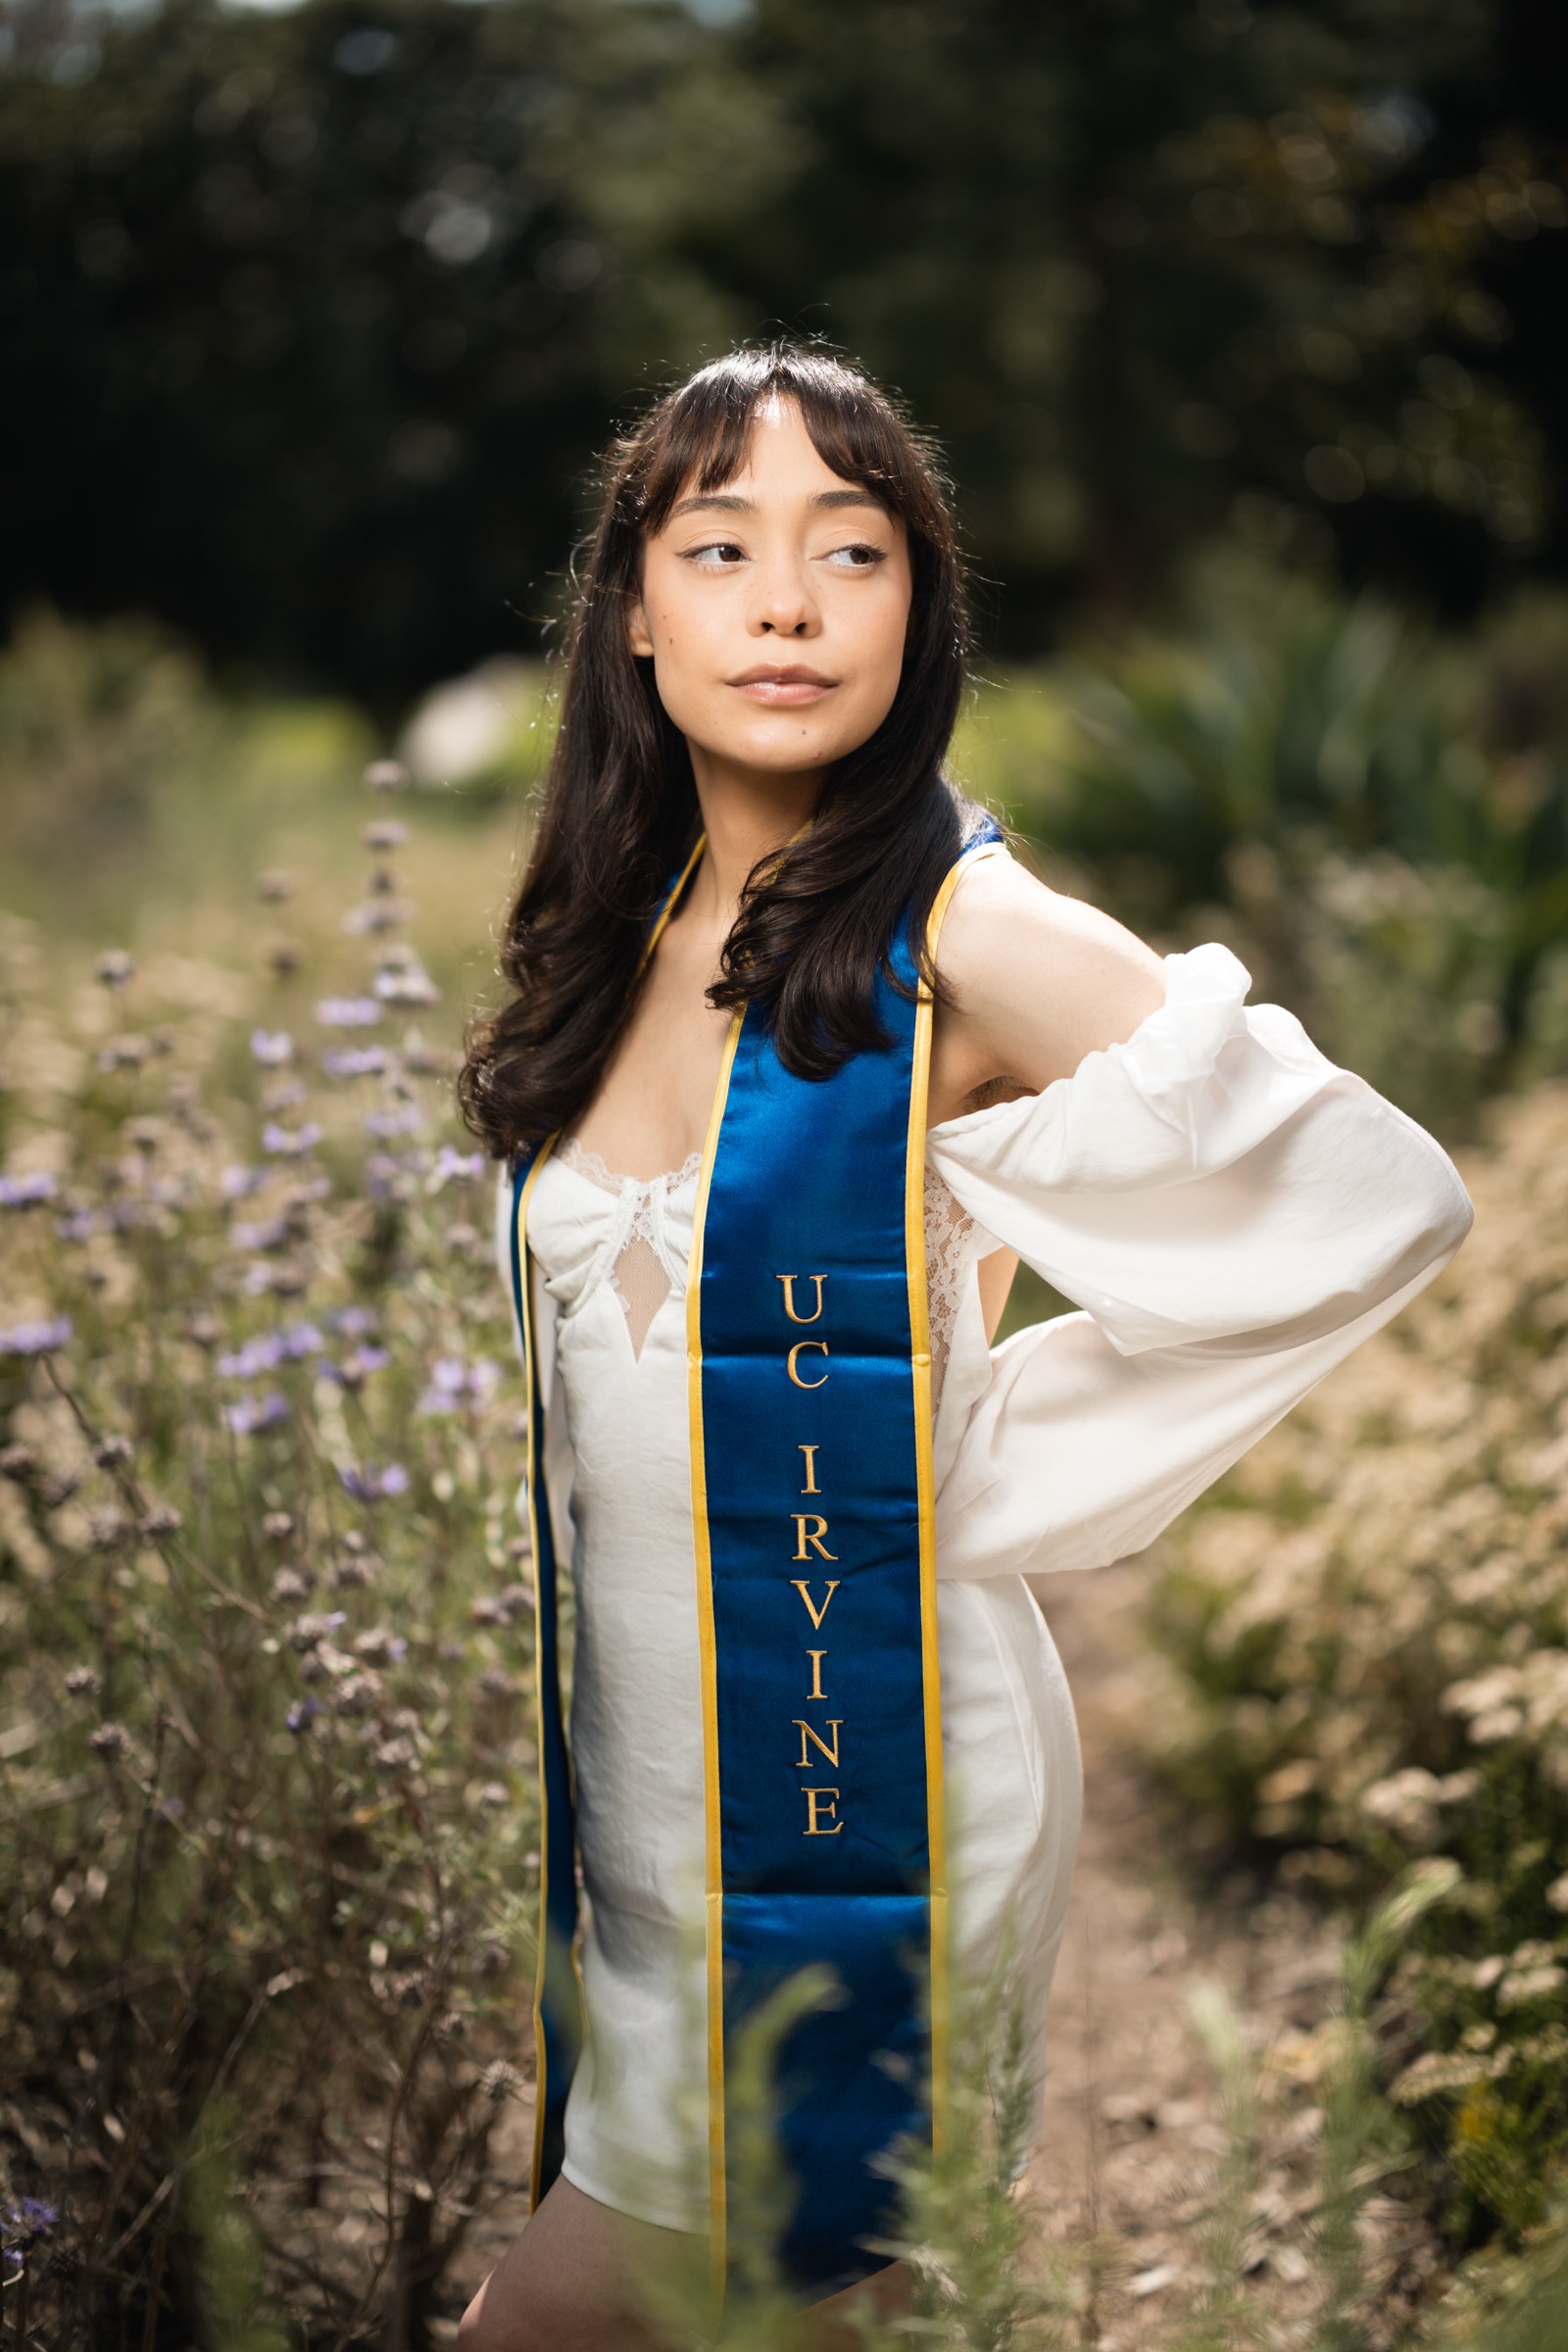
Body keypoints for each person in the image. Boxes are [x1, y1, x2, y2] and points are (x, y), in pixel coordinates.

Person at [455, 346, 1473, 2351]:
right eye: (718, 545)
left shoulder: (961, 930)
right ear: (633, 610)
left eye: (851, 549)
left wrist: (984, 1449)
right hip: (659, 1795)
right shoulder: (624, 914)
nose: (782, 602)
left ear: (915, 607)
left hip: (866, 1771)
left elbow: (1375, 1198)